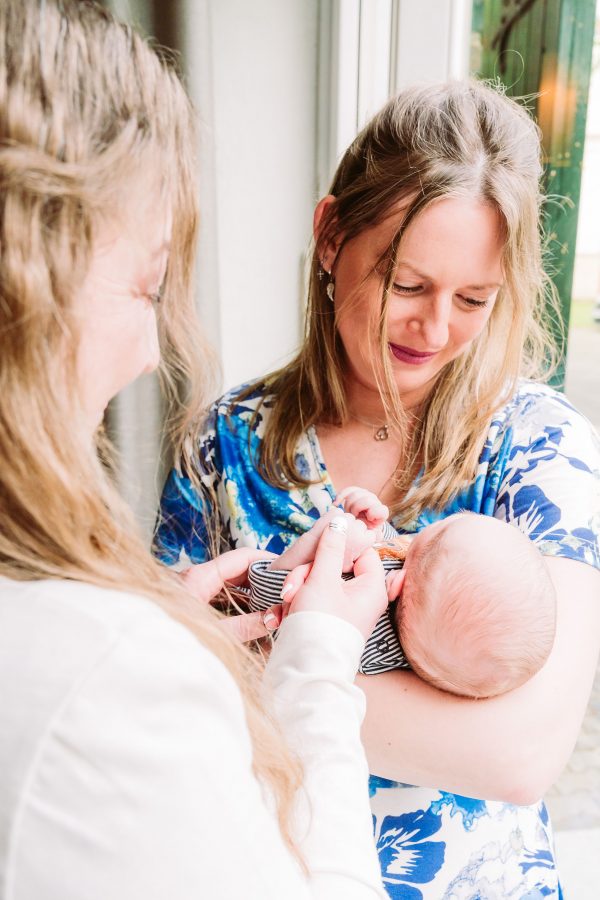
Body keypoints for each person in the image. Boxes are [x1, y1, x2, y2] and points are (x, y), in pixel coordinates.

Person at [157, 78, 600, 897]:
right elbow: (157, 682)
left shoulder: (540, 450)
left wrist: (254, 658)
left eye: (474, 299)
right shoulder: (222, 442)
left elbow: (519, 755)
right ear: (331, 237)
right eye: (406, 285)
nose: (434, 331)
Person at [0, 2, 394, 898]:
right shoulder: (111, 676)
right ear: (31, 281)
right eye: (147, 287)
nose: (150, 353)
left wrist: (165, 624)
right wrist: (318, 661)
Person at [248, 495, 557, 698]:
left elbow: (270, 610)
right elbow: (397, 553)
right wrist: (375, 532)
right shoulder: (421, 619)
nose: (446, 519)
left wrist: (326, 540)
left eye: (438, 532)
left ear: (394, 582)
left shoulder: (359, 632)